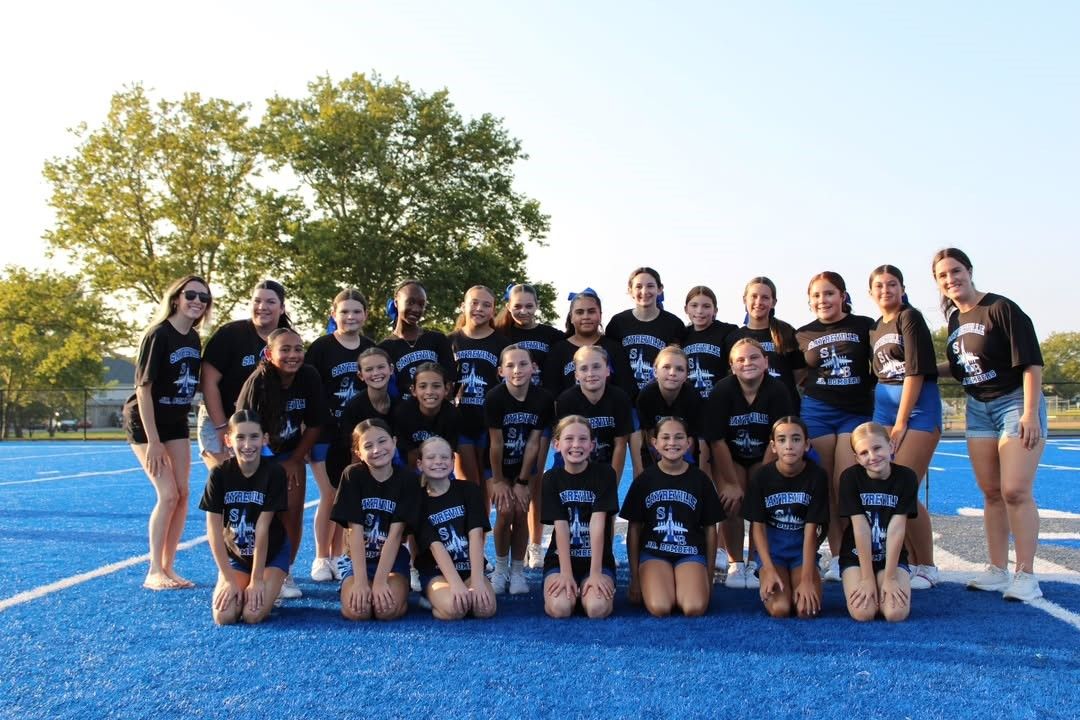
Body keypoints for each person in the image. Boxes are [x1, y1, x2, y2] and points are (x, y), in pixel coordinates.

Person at [933, 248, 1048, 601]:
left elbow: (1030, 362)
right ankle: (998, 569)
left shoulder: (1000, 308)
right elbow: (961, 368)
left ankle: (1026, 575)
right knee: (992, 492)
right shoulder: (954, 319)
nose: (951, 279)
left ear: (969, 270)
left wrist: (1030, 412)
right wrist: (915, 369)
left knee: (1015, 490)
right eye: (942, 275)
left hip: (1014, 402)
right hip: (977, 406)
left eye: (955, 271)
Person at [125, 275, 211, 590]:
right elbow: (143, 390)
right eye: (191, 295)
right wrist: (155, 443)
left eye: (204, 298)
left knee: (184, 493)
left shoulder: (193, 339)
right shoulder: (157, 335)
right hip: (148, 422)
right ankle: (153, 570)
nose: (197, 302)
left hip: (176, 419)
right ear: (176, 298)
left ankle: (169, 567)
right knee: (168, 494)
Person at [236, 327, 328, 600]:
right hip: (256, 455)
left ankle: (284, 571)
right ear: (269, 353)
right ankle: (254, 569)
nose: (293, 355)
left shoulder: (309, 376)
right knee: (258, 517)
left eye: (298, 349)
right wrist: (261, 467)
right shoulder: (258, 383)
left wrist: (296, 459)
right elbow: (244, 429)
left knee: (291, 514)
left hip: (290, 454)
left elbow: (316, 423)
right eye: (285, 349)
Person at [796, 271, 876, 582]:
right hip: (817, 411)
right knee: (825, 486)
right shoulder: (803, 333)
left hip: (854, 412)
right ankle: (837, 553)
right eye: (816, 295)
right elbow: (798, 374)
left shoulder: (863, 325)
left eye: (829, 293)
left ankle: (852, 552)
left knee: (845, 484)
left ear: (842, 295)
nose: (823, 300)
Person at [868, 265, 942, 590]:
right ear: (871, 292)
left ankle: (927, 564)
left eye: (892, 284)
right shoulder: (874, 327)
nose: (886, 290)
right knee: (888, 487)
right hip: (884, 409)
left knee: (904, 486)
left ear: (902, 287)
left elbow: (914, 371)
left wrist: (900, 422)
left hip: (918, 410)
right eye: (880, 286)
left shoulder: (909, 318)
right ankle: (910, 561)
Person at [704, 338, 793, 589]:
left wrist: (762, 481)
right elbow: (717, 440)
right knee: (731, 501)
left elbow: (777, 437)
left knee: (759, 501)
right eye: (740, 359)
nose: (748, 363)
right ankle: (736, 563)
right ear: (732, 366)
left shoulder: (777, 390)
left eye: (754, 357)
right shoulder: (722, 390)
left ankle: (756, 561)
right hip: (729, 454)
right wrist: (731, 482)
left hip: (763, 455)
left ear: (766, 362)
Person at [621, 416, 724, 617]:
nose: (672, 443)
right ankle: (660, 582)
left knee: (694, 608)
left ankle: (685, 583)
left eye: (679, 437)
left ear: (688, 443)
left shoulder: (700, 480)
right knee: (660, 607)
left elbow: (711, 529)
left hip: (689, 552)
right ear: (654, 443)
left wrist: (708, 575)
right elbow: (634, 529)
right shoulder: (644, 481)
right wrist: (634, 578)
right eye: (665, 437)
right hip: (655, 553)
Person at [306, 289, 375, 583]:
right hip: (324, 433)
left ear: (365, 315)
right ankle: (322, 556)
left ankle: (339, 555)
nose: (350, 317)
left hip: (357, 437)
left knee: (348, 495)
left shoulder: (370, 347)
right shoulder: (321, 348)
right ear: (333, 314)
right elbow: (308, 390)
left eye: (356, 311)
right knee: (329, 494)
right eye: (344, 311)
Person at [494, 282, 564, 565]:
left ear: (537, 306)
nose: (523, 311)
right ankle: (503, 553)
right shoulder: (501, 334)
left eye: (529, 305)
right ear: (508, 306)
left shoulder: (551, 336)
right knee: (507, 478)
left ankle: (535, 544)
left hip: (540, 412)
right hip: (507, 412)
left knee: (534, 478)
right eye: (517, 305)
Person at [200, 410, 288, 624]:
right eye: (240, 437)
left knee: (252, 614)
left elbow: (262, 528)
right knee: (224, 616)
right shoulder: (219, 474)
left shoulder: (275, 473)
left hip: (270, 554)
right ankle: (237, 581)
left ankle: (270, 582)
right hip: (237, 556)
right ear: (228, 440)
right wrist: (228, 576)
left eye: (254, 437)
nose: (247, 445)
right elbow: (213, 529)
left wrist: (257, 579)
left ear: (265, 439)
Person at [198, 280, 292, 470]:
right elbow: (208, 382)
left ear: (282, 308)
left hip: (262, 426)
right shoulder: (230, 334)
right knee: (228, 483)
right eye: (257, 301)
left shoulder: (287, 339)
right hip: (221, 419)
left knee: (261, 489)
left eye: (270, 302)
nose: (262, 307)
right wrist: (221, 427)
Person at [484, 344, 554, 595]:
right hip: (497, 466)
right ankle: (501, 567)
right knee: (505, 511)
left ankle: (517, 570)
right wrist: (500, 481)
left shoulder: (543, 398)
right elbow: (496, 443)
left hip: (525, 465)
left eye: (523, 364)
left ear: (533, 367)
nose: (517, 370)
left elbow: (534, 442)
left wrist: (523, 482)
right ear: (501, 371)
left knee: (521, 510)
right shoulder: (494, 397)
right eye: (510, 365)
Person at [331, 419, 418, 621]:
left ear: (394, 442)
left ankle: (399, 591)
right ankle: (357, 585)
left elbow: (396, 535)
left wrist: (379, 581)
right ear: (358, 453)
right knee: (358, 612)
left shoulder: (407, 479)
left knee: (386, 610)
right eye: (368, 446)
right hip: (356, 560)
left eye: (382, 441)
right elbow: (354, 531)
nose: (377, 450)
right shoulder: (352, 475)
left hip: (392, 561)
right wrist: (361, 582)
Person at [745, 417, 828, 618]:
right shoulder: (761, 477)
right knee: (780, 609)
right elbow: (757, 527)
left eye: (796, 439)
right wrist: (768, 568)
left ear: (806, 444)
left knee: (805, 610)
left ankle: (803, 578)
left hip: (801, 552)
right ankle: (775, 576)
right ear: (773, 446)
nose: (789, 446)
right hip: (774, 553)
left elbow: (811, 530)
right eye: (782, 440)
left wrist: (807, 579)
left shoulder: (817, 476)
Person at [541, 415, 619, 619]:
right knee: (561, 608)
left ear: (592, 445)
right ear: (556, 445)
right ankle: (570, 590)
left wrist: (595, 573)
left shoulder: (605, 474)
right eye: (569, 439)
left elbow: (598, 523)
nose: (576, 445)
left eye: (583, 439)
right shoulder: (551, 478)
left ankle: (585, 589)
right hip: (560, 561)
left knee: (596, 609)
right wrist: (565, 573)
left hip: (597, 560)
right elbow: (561, 526)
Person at [839, 422, 917, 622]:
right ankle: (868, 578)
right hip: (857, 557)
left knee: (895, 613)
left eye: (877, 448)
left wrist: (890, 577)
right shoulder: (850, 478)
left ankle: (885, 578)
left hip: (891, 557)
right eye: (864, 453)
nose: (872, 457)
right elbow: (861, 528)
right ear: (857, 458)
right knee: (864, 613)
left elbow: (897, 529)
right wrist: (866, 578)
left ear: (890, 446)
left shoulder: (906, 477)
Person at [414, 436, 497, 620]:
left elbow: (475, 535)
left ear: (453, 461)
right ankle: (430, 598)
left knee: (485, 609)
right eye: (431, 458)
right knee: (455, 609)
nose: (438, 462)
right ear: (420, 464)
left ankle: (465, 590)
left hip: (469, 568)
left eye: (444, 457)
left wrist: (477, 580)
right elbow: (435, 545)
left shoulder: (469, 490)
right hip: (438, 572)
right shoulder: (417, 500)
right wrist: (455, 583)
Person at [448, 285, 509, 491]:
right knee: (468, 483)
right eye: (474, 303)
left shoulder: (501, 343)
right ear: (463, 306)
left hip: (489, 422)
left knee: (487, 484)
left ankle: (483, 524)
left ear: (493, 310)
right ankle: (473, 524)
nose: (479, 309)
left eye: (486, 305)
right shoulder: (451, 341)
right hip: (460, 420)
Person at [554, 345, 635, 480]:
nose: (590, 374)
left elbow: (620, 445)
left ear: (608, 370)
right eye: (584, 369)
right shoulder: (567, 400)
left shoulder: (620, 398)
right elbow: (566, 446)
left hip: (605, 463)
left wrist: (612, 484)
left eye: (596, 367)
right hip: (570, 462)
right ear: (576, 375)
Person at [725, 277, 805, 412]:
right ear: (745, 300)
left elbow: (800, 371)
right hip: (749, 410)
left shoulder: (786, 332)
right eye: (754, 296)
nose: (758, 302)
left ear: (773, 302)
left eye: (765, 297)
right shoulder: (734, 337)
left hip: (784, 407)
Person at [327, 346, 396, 488]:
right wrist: (356, 485)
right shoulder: (355, 408)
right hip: (348, 465)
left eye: (380, 367)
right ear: (360, 375)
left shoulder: (398, 403)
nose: (376, 373)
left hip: (383, 464)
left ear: (391, 369)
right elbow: (353, 453)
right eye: (369, 369)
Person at [544, 289, 633, 397]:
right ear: (571, 317)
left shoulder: (614, 347)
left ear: (600, 316)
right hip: (570, 412)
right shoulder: (558, 350)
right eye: (579, 312)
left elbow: (625, 390)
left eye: (591, 311)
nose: (586, 316)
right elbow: (552, 392)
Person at [379, 279, 455, 401]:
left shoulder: (438, 340)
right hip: (404, 415)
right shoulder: (384, 348)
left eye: (421, 304)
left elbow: (449, 384)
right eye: (410, 302)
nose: (416, 309)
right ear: (396, 303)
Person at [635, 345, 704, 466]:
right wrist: (660, 465)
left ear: (686, 375)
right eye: (666, 367)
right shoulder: (646, 396)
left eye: (679, 369)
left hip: (685, 450)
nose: (672, 373)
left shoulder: (692, 396)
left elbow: (691, 438)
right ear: (655, 371)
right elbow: (649, 434)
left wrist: (684, 466)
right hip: (655, 450)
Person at [392, 362, 462, 469]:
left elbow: (449, 453)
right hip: (408, 466)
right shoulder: (403, 413)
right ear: (413, 390)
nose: (429, 392)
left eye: (436, 386)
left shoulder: (452, 414)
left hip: (439, 464)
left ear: (446, 389)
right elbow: (409, 454)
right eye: (423, 386)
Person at [682, 285, 738, 400]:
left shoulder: (727, 332)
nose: (700, 311)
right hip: (690, 402)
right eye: (694, 305)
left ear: (715, 310)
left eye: (706, 306)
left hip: (719, 400)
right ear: (686, 309)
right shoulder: (682, 335)